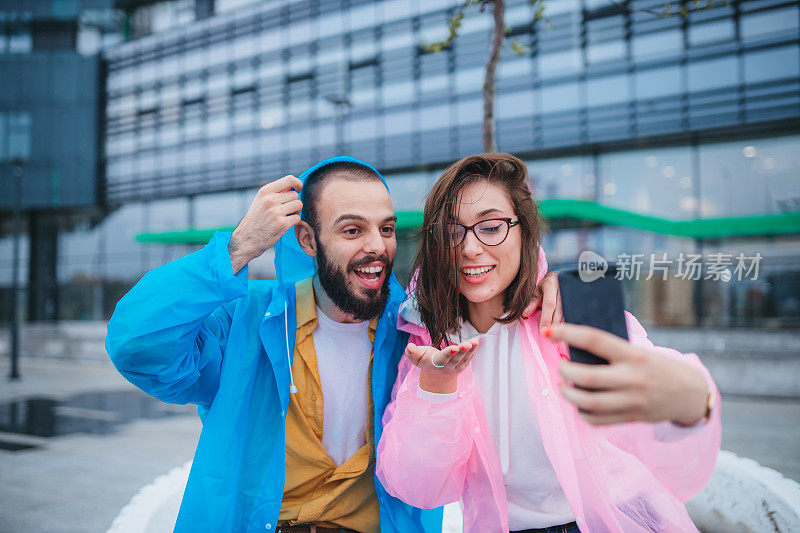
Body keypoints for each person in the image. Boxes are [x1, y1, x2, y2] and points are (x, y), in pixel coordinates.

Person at [105, 155, 563, 532]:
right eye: (351, 230)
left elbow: (489, 274)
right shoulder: (245, 324)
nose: (377, 247)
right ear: (307, 239)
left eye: (385, 229)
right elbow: (136, 344)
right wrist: (238, 247)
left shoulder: (416, 331)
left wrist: (552, 283)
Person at [376, 153, 721, 533]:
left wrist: (692, 402)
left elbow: (661, 429)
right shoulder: (430, 344)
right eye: (452, 231)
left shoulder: (567, 315)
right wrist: (437, 389)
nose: (470, 248)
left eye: (491, 227)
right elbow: (419, 487)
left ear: (523, 230)